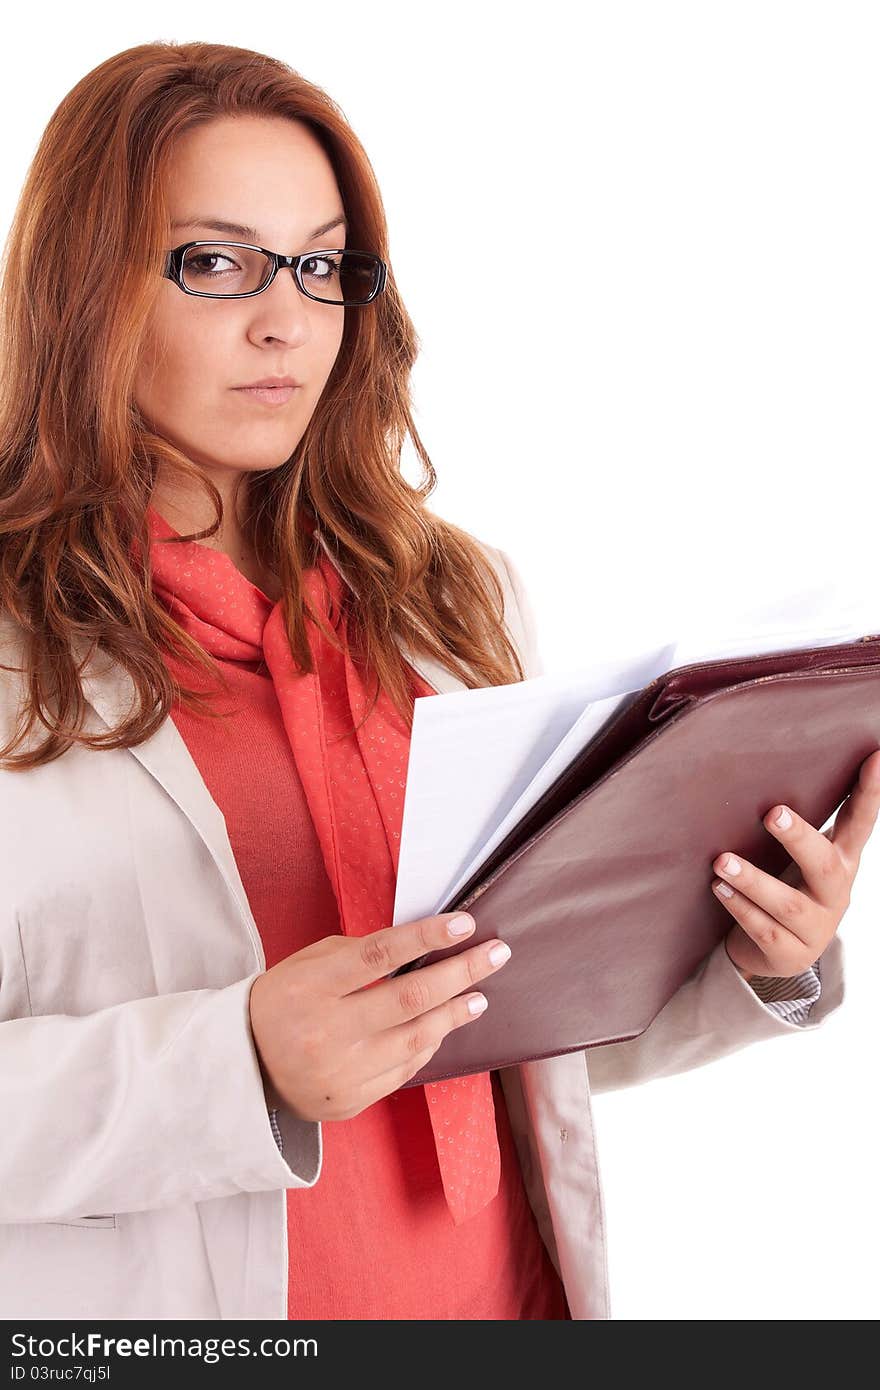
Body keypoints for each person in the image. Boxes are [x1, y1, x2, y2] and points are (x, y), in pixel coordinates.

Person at [0, 40, 875, 1323]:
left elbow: (501, 1031)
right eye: (216, 261)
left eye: (319, 264)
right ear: (86, 286)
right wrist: (235, 1062)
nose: (284, 320)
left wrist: (749, 957)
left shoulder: (448, 600)